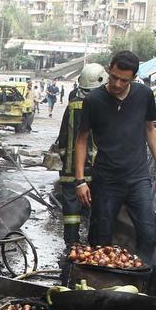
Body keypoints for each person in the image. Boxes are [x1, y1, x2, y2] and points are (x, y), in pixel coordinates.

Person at [74, 50, 156, 259]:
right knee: (100, 237)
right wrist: (80, 181)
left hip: (138, 177)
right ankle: (98, 282)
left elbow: (150, 129)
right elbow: (81, 139)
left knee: (149, 233)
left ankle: (141, 276)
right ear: (109, 69)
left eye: (123, 80)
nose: (116, 84)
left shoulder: (144, 95)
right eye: (113, 77)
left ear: (133, 78)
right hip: (106, 179)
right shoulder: (94, 100)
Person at [53, 63, 106, 245]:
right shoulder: (104, 104)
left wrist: (64, 155)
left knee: (71, 211)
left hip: (71, 169)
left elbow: (63, 135)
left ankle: (72, 245)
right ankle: (94, 247)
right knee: (96, 210)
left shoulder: (73, 102)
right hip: (96, 167)